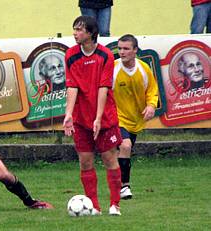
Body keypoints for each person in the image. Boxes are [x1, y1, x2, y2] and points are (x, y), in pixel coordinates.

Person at [63, 16, 122, 216]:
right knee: (85, 161)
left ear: (90, 33)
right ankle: (94, 207)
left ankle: (115, 204)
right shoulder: (70, 55)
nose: (75, 33)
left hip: (104, 117)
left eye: (79, 30)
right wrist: (68, 114)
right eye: (74, 29)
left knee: (109, 158)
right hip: (81, 119)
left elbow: (103, 87)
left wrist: (98, 118)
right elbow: (72, 86)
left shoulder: (105, 55)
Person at [113, 34, 158, 200]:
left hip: (135, 120)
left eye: (126, 49)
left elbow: (152, 91)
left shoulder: (144, 69)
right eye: (120, 49)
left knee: (124, 151)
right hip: (116, 117)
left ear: (135, 50)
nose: (122, 52)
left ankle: (116, 181)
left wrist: (151, 106)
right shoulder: (113, 68)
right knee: (125, 146)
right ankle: (124, 187)